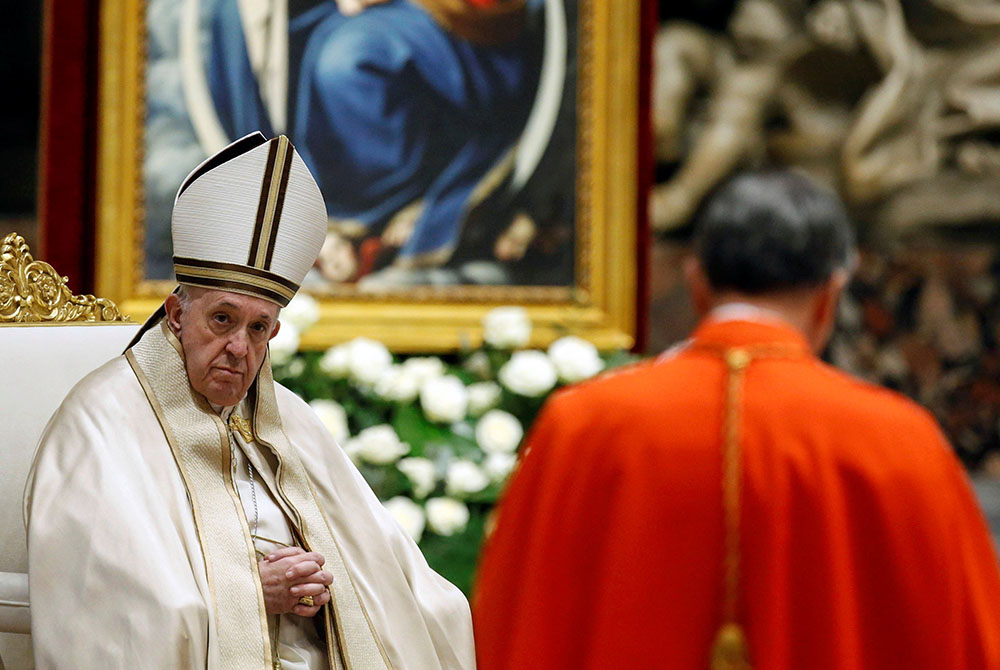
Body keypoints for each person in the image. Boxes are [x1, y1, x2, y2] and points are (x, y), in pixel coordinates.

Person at [472, 170, 1000, 669]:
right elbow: (967, 640)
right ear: (832, 292)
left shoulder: (583, 425)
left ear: (696, 282)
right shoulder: (898, 439)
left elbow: (511, 629)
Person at [25, 133, 475, 669]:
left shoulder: (292, 420)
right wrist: (247, 595)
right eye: (222, 320)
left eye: (258, 328)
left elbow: (390, 572)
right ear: (176, 315)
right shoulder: (102, 420)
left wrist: (321, 589)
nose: (238, 348)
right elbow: (99, 600)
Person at [204, 0, 543, 279]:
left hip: (463, 23)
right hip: (352, 13)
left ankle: (399, 202)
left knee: (349, 63)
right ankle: (332, 213)